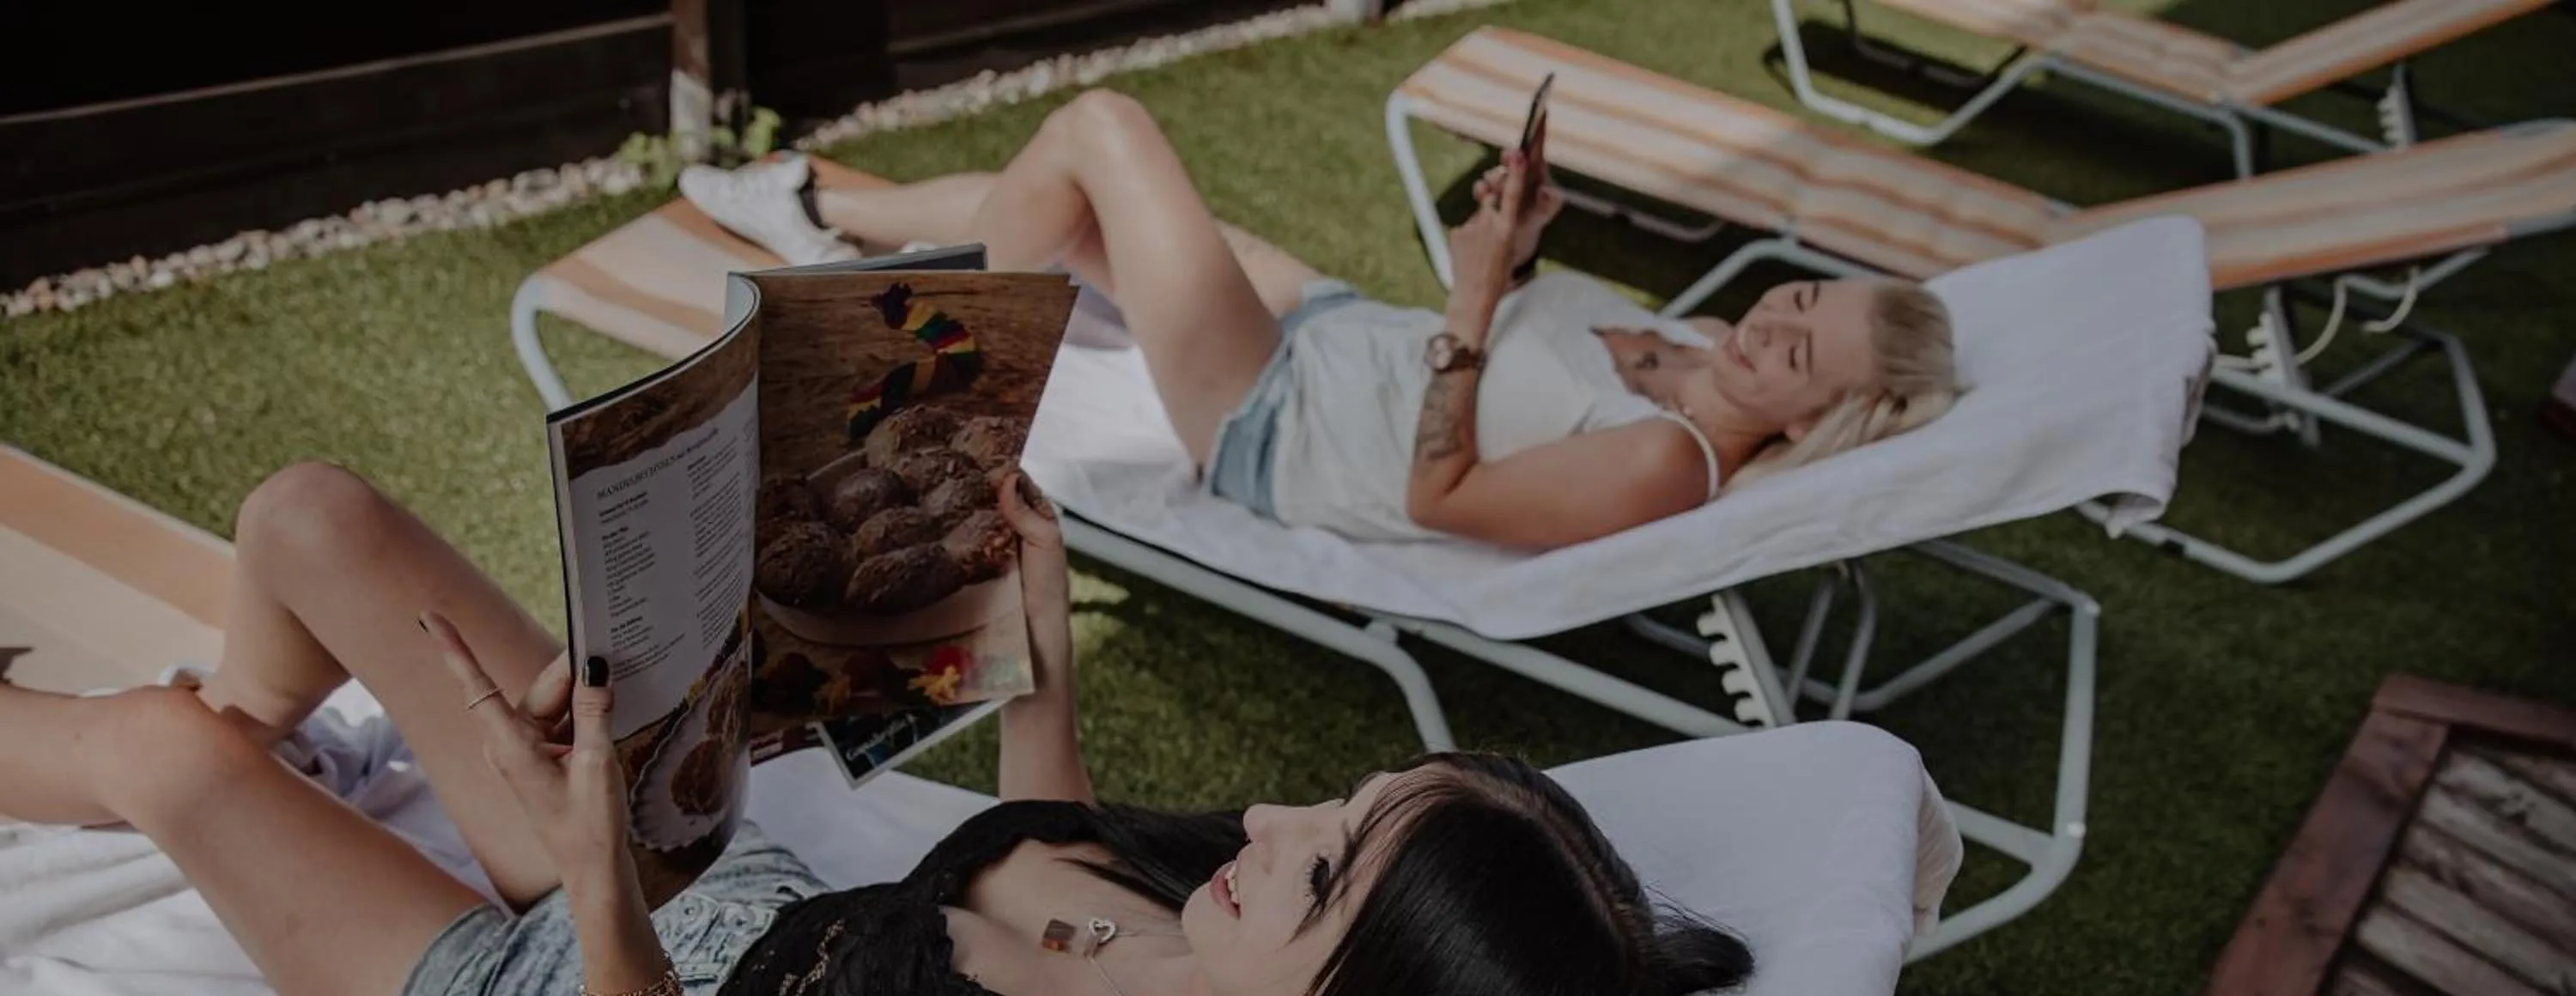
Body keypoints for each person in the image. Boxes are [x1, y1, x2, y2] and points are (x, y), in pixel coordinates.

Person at [0, 460, 1752, 996]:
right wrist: (1038, 660)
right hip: (710, 886)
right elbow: (1034, 867)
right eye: (1340, 802)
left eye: (1320, 869)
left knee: (167, 757)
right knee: (311, 520)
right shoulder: (1227, 951)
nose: (1274, 813)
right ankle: (260, 759)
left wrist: (602, 891)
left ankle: (157, 762)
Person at [677, 90, 1959, 550]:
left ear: (1821, 416)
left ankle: (877, 386)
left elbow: (1441, 501)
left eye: (1799, 353)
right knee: (1076, 217)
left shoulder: (1667, 459)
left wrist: (1472, 292)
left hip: (1280, 422)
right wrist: (1511, 248)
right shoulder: (1689, 345)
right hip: (1340, 336)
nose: (1769, 327)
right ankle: (821, 215)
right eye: (1795, 296)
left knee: (1103, 133)